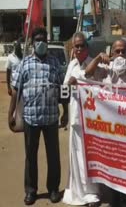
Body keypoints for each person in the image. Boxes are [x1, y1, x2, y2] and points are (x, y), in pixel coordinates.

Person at [7, 27, 68, 205]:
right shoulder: (25, 63)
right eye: (37, 40)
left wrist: (65, 111)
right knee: (30, 156)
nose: (40, 42)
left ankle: (54, 189)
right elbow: (16, 91)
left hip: (50, 118)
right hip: (30, 119)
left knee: (53, 156)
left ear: (47, 42)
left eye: (43, 39)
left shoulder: (55, 63)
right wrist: (10, 114)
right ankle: (31, 191)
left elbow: (62, 88)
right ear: (33, 43)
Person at [85, 39, 126, 207]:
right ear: (111, 53)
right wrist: (97, 59)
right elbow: (87, 74)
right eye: (116, 51)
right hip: (110, 134)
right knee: (112, 174)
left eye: (123, 51)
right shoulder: (105, 72)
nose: (119, 55)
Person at [62, 32, 100, 207]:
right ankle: (78, 191)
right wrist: (68, 85)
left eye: (81, 45)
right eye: (75, 46)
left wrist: (80, 80)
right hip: (75, 117)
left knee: (89, 157)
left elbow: (100, 90)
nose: (78, 49)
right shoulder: (71, 65)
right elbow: (63, 92)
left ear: (87, 47)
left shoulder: (96, 65)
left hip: (92, 120)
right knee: (76, 158)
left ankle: (92, 193)